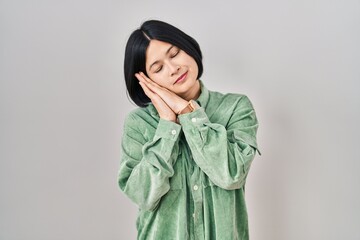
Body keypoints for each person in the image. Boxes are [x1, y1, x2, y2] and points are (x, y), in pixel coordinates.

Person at [118, 19, 261, 240]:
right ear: (145, 81)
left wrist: (187, 112)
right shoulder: (138, 125)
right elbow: (143, 195)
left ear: (188, 47)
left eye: (175, 53)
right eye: (158, 68)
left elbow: (231, 174)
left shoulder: (235, 108)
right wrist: (167, 124)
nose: (173, 69)